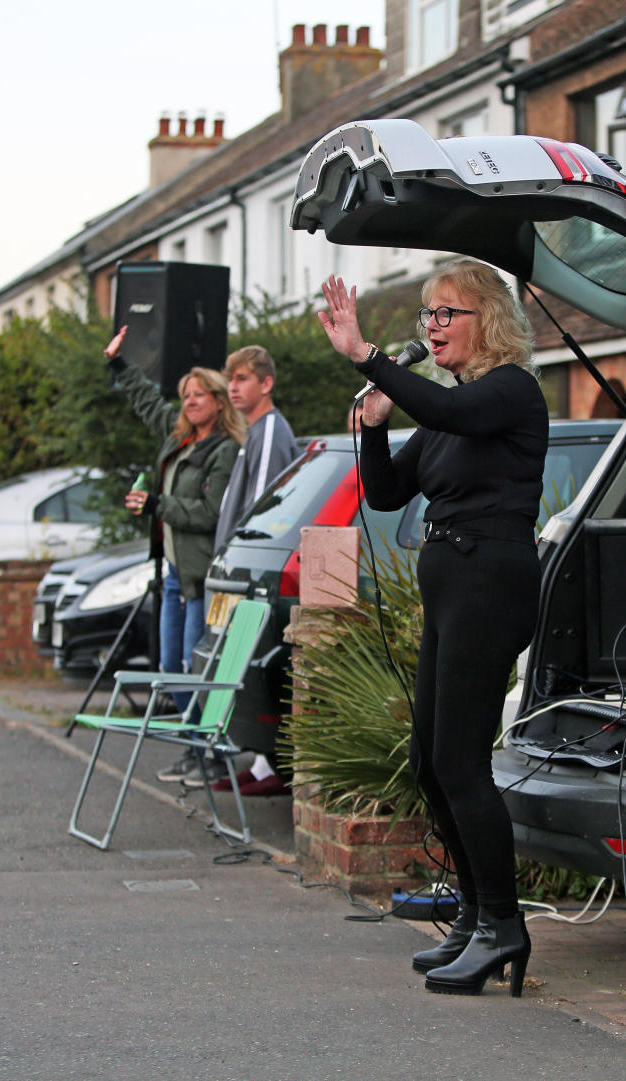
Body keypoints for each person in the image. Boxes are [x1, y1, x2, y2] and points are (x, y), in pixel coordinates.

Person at [318, 259, 547, 998]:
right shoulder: (451, 410)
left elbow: (451, 415)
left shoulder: (508, 392)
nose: (434, 326)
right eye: (429, 315)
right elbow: (385, 494)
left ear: (490, 320)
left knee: (460, 759)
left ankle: (503, 925)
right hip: (452, 584)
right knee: (429, 759)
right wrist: (378, 429)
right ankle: (478, 915)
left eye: (448, 313)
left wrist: (369, 355)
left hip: (490, 581)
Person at [105, 325, 245, 783]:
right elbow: (148, 402)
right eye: (186, 394)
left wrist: (156, 504)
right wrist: (120, 365)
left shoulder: (223, 451)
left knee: (195, 667)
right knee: (170, 667)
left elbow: (209, 513)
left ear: (219, 402)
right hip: (172, 570)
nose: (190, 402)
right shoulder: (180, 438)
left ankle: (213, 753)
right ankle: (194, 746)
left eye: (200, 394)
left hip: (201, 573)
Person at [196, 345, 300, 796]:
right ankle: (260, 764)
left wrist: (236, 562)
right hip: (236, 572)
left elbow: (261, 512)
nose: (233, 387)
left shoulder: (272, 430)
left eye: (241, 379)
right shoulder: (255, 431)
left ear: (266, 384)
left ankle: (271, 766)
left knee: (253, 668)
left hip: (248, 576)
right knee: (241, 670)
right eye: (230, 379)